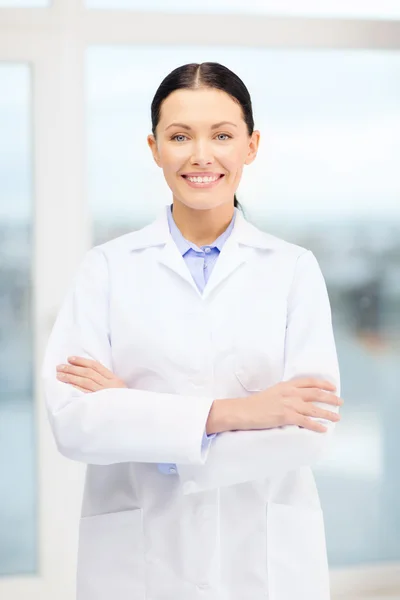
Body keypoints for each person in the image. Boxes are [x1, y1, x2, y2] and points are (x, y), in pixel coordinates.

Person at [42, 62, 343, 600]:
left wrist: (136, 413)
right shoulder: (106, 269)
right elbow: (76, 423)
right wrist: (234, 414)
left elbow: (306, 432)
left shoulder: (293, 269)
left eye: (222, 135)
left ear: (251, 145)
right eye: (180, 136)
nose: (201, 155)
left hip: (264, 563)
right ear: (154, 147)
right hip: (137, 565)